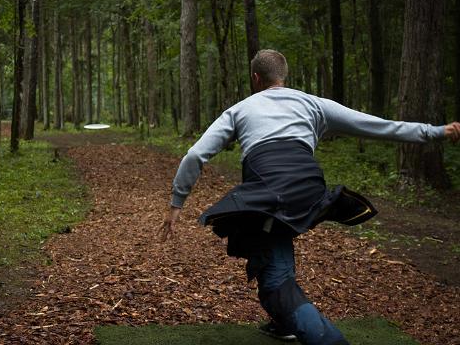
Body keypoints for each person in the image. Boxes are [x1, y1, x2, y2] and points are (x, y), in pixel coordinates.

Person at [158, 49, 460, 345]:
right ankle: (283, 324)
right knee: (274, 237)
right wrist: (435, 131)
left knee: (273, 283)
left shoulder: (239, 109)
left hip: (270, 188)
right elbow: (378, 126)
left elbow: (196, 154)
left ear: (255, 78)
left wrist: (176, 204)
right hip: (309, 189)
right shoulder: (313, 103)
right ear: (283, 76)